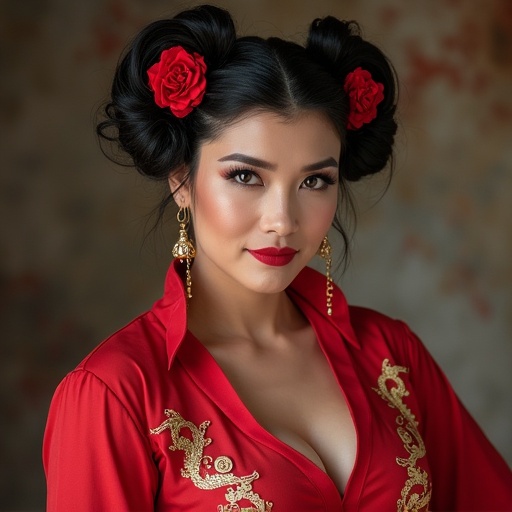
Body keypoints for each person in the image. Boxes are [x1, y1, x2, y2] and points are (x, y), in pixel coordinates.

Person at [43, 5, 512, 511]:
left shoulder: (391, 355)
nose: (282, 219)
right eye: (246, 176)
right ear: (181, 178)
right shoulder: (116, 394)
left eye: (315, 181)